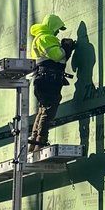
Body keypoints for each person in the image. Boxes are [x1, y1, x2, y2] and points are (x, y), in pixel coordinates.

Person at [27, 13, 77, 151]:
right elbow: (57, 55)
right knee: (49, 110)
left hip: (44, 79)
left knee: (43, 109)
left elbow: (57, 59)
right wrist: (66, 48)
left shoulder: (41, 38)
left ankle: (35, 141)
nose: (57, 32)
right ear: (52, 26)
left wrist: (66, 50)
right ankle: (40, 141)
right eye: (57, 28)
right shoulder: (46, 37)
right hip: (48, 80)